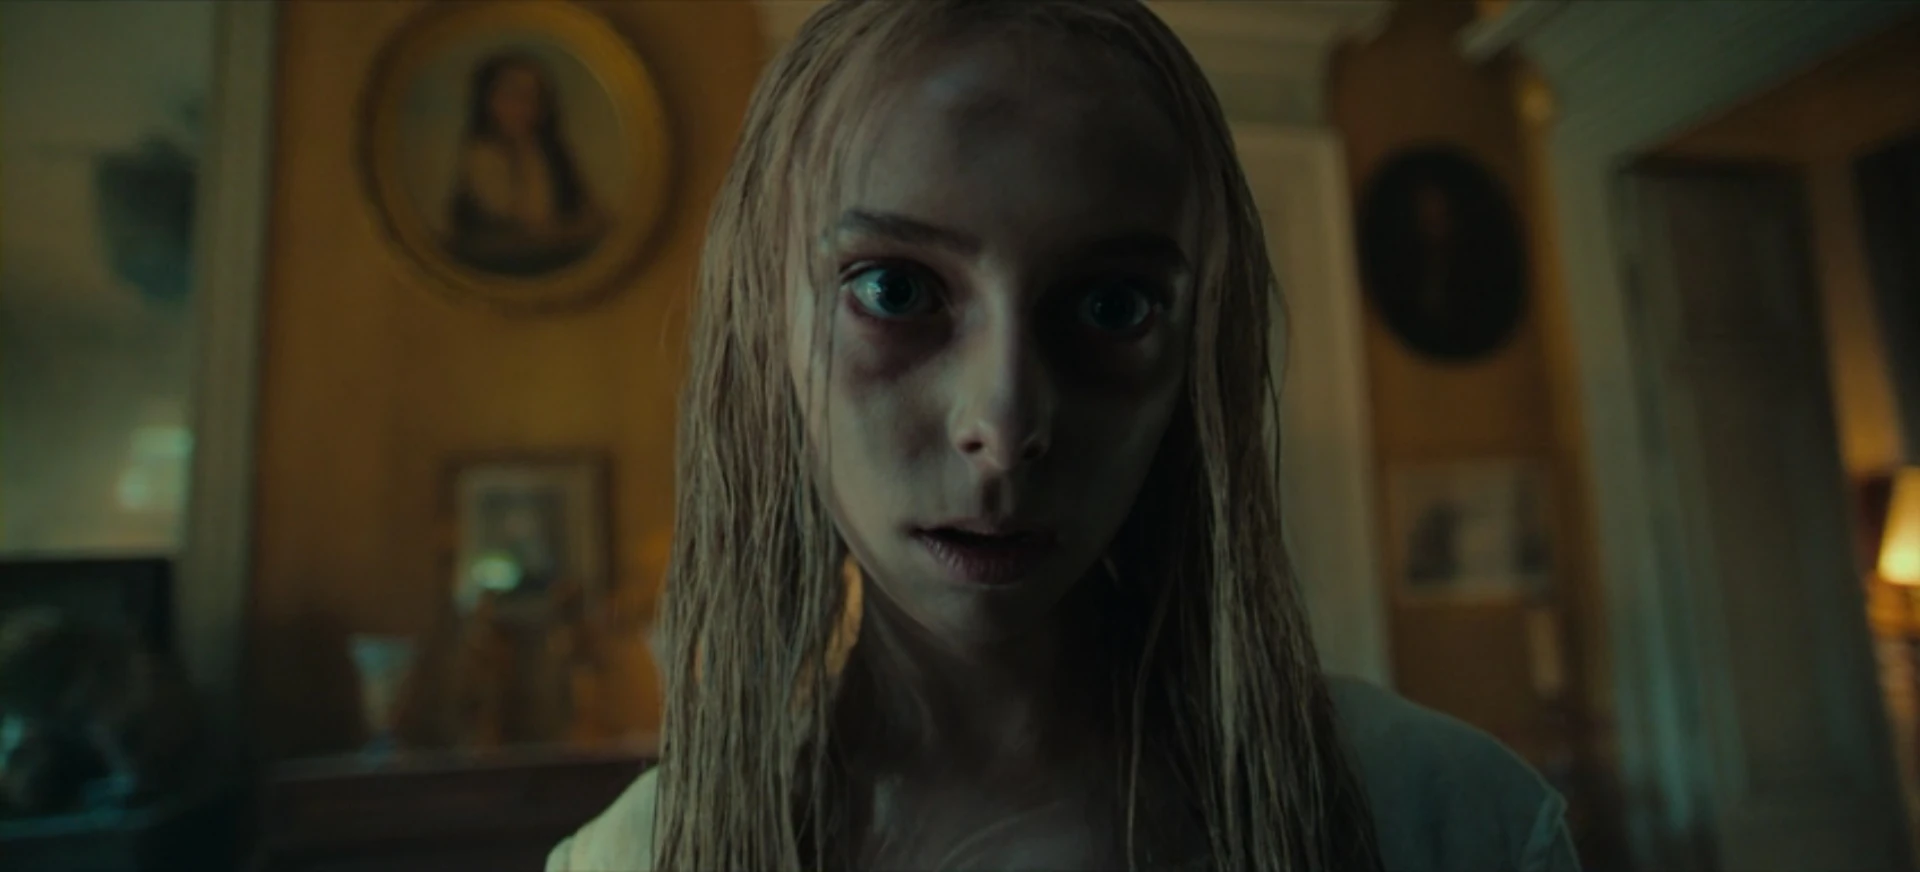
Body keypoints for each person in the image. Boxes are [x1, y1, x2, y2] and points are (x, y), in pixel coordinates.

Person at [549, 1, 1582, 870]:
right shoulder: (638, 860)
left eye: (1109, 305)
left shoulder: (1444, 821)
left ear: (1194, 351)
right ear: (765, 322)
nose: (1003, 427)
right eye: (895, 289)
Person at [446, 52, 606, 277]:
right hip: (500, 269)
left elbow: (594, 215)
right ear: (488, 100)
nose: (525, 106)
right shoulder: (480, 157)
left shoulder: (554, 155)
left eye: (534, 96)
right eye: (513, 95)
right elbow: (525, 225)